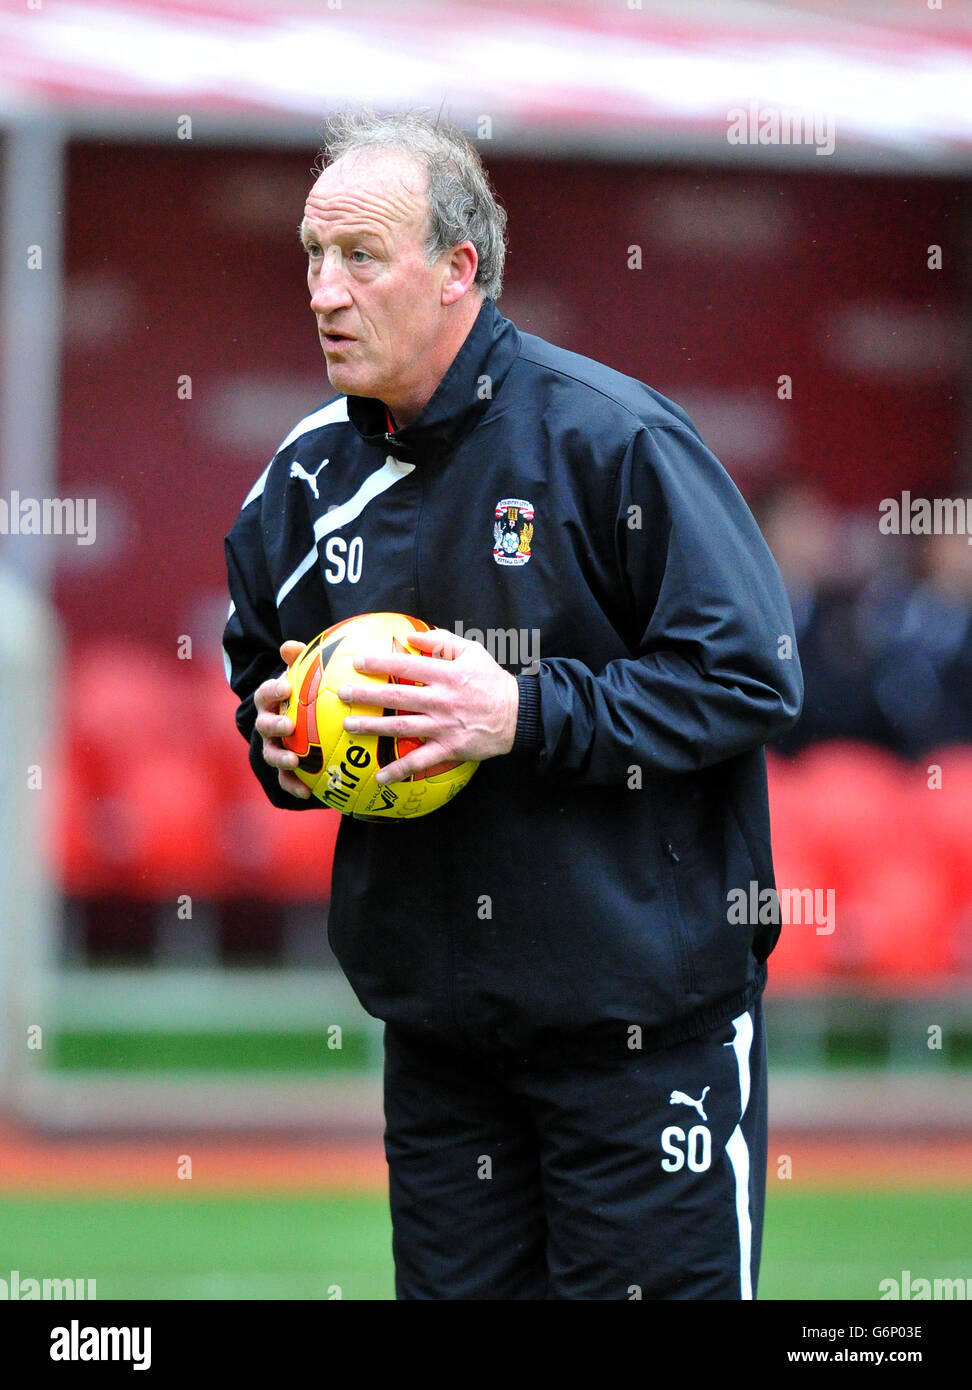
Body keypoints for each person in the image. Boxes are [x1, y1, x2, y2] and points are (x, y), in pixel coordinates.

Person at [222, 111, 804, 1300]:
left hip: (644, 1043)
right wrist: (279, 741)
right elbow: (257, 679)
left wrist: (522, 714)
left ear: (457, 270)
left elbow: (751, 672)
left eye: (360, 257)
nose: (324, 291)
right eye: (311, 256)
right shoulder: (300, 481)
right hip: (444, 1051)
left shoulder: (613, 438)